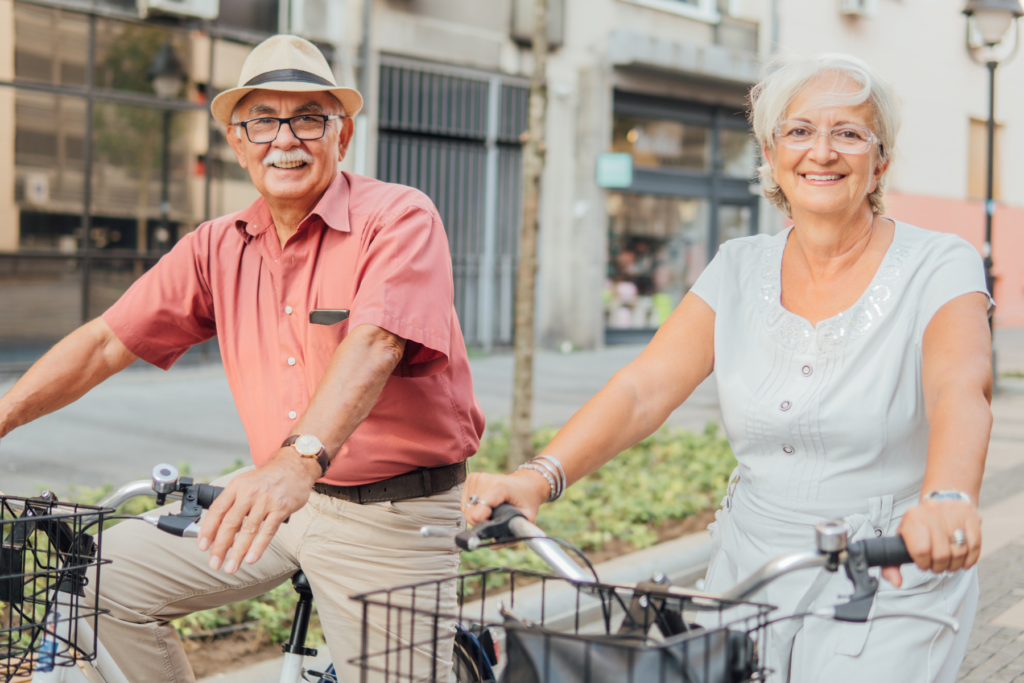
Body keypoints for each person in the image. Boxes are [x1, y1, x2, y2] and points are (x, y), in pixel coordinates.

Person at [464, 53, 991, 682]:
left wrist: (948, 497)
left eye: (848, 133)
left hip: (892, 559)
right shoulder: (739, 266)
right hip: (750, 563)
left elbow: (960, 386)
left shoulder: (940, 263)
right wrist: (538, 476)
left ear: (879, 161)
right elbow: (644, 388)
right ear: (769, 155)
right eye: (798, 131)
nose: (821, 151)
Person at [0, 35, 484, 682]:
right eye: (263, 119)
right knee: (98, 580)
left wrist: (297, 459)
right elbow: (106, 342)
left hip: (389, 515)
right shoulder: (215, 247)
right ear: (237, 141)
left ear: (341, 135)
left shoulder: (397, 217)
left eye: (309, 116)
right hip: (274, 497)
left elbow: (375, 343)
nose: (285, 138)